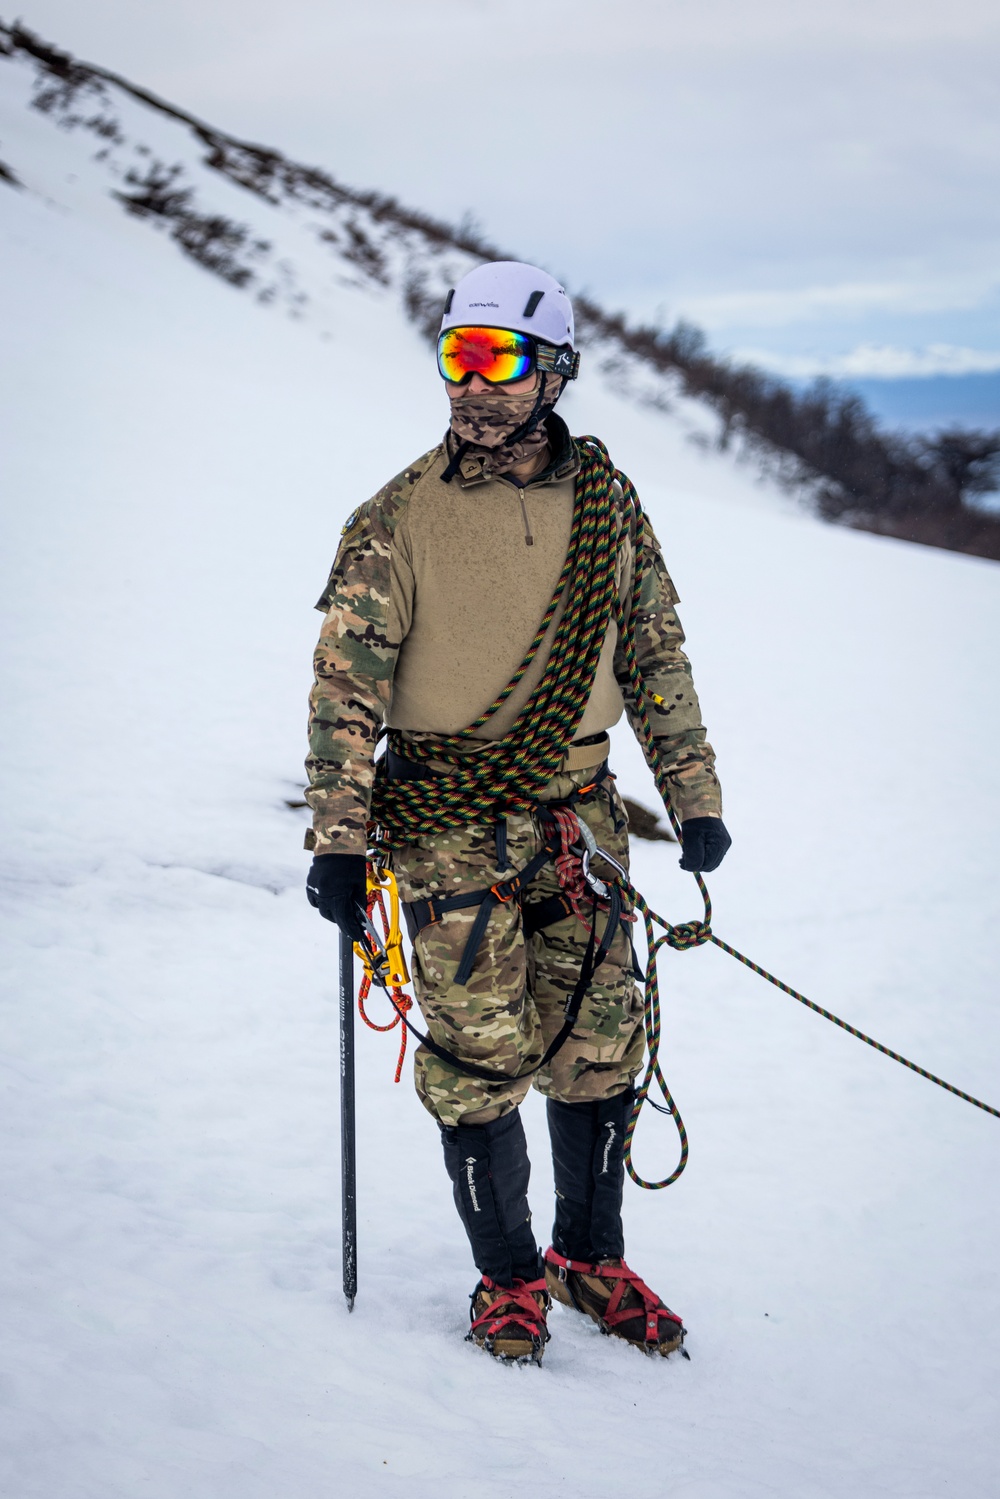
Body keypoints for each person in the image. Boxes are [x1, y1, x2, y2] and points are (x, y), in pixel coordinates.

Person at [304, 261, 731, 1365]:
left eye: (497, 359)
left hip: (579, 820)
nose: (471, 385)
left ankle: (589, 1259)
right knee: (479, 1055)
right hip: (447, 829)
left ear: (554, 372)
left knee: (599, 1045)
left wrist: (693, 799)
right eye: (457, 356)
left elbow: (652, 654)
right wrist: (340, 842)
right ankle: (506, 1280)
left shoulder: (607, 502)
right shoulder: (397, 516)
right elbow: (347, 690)